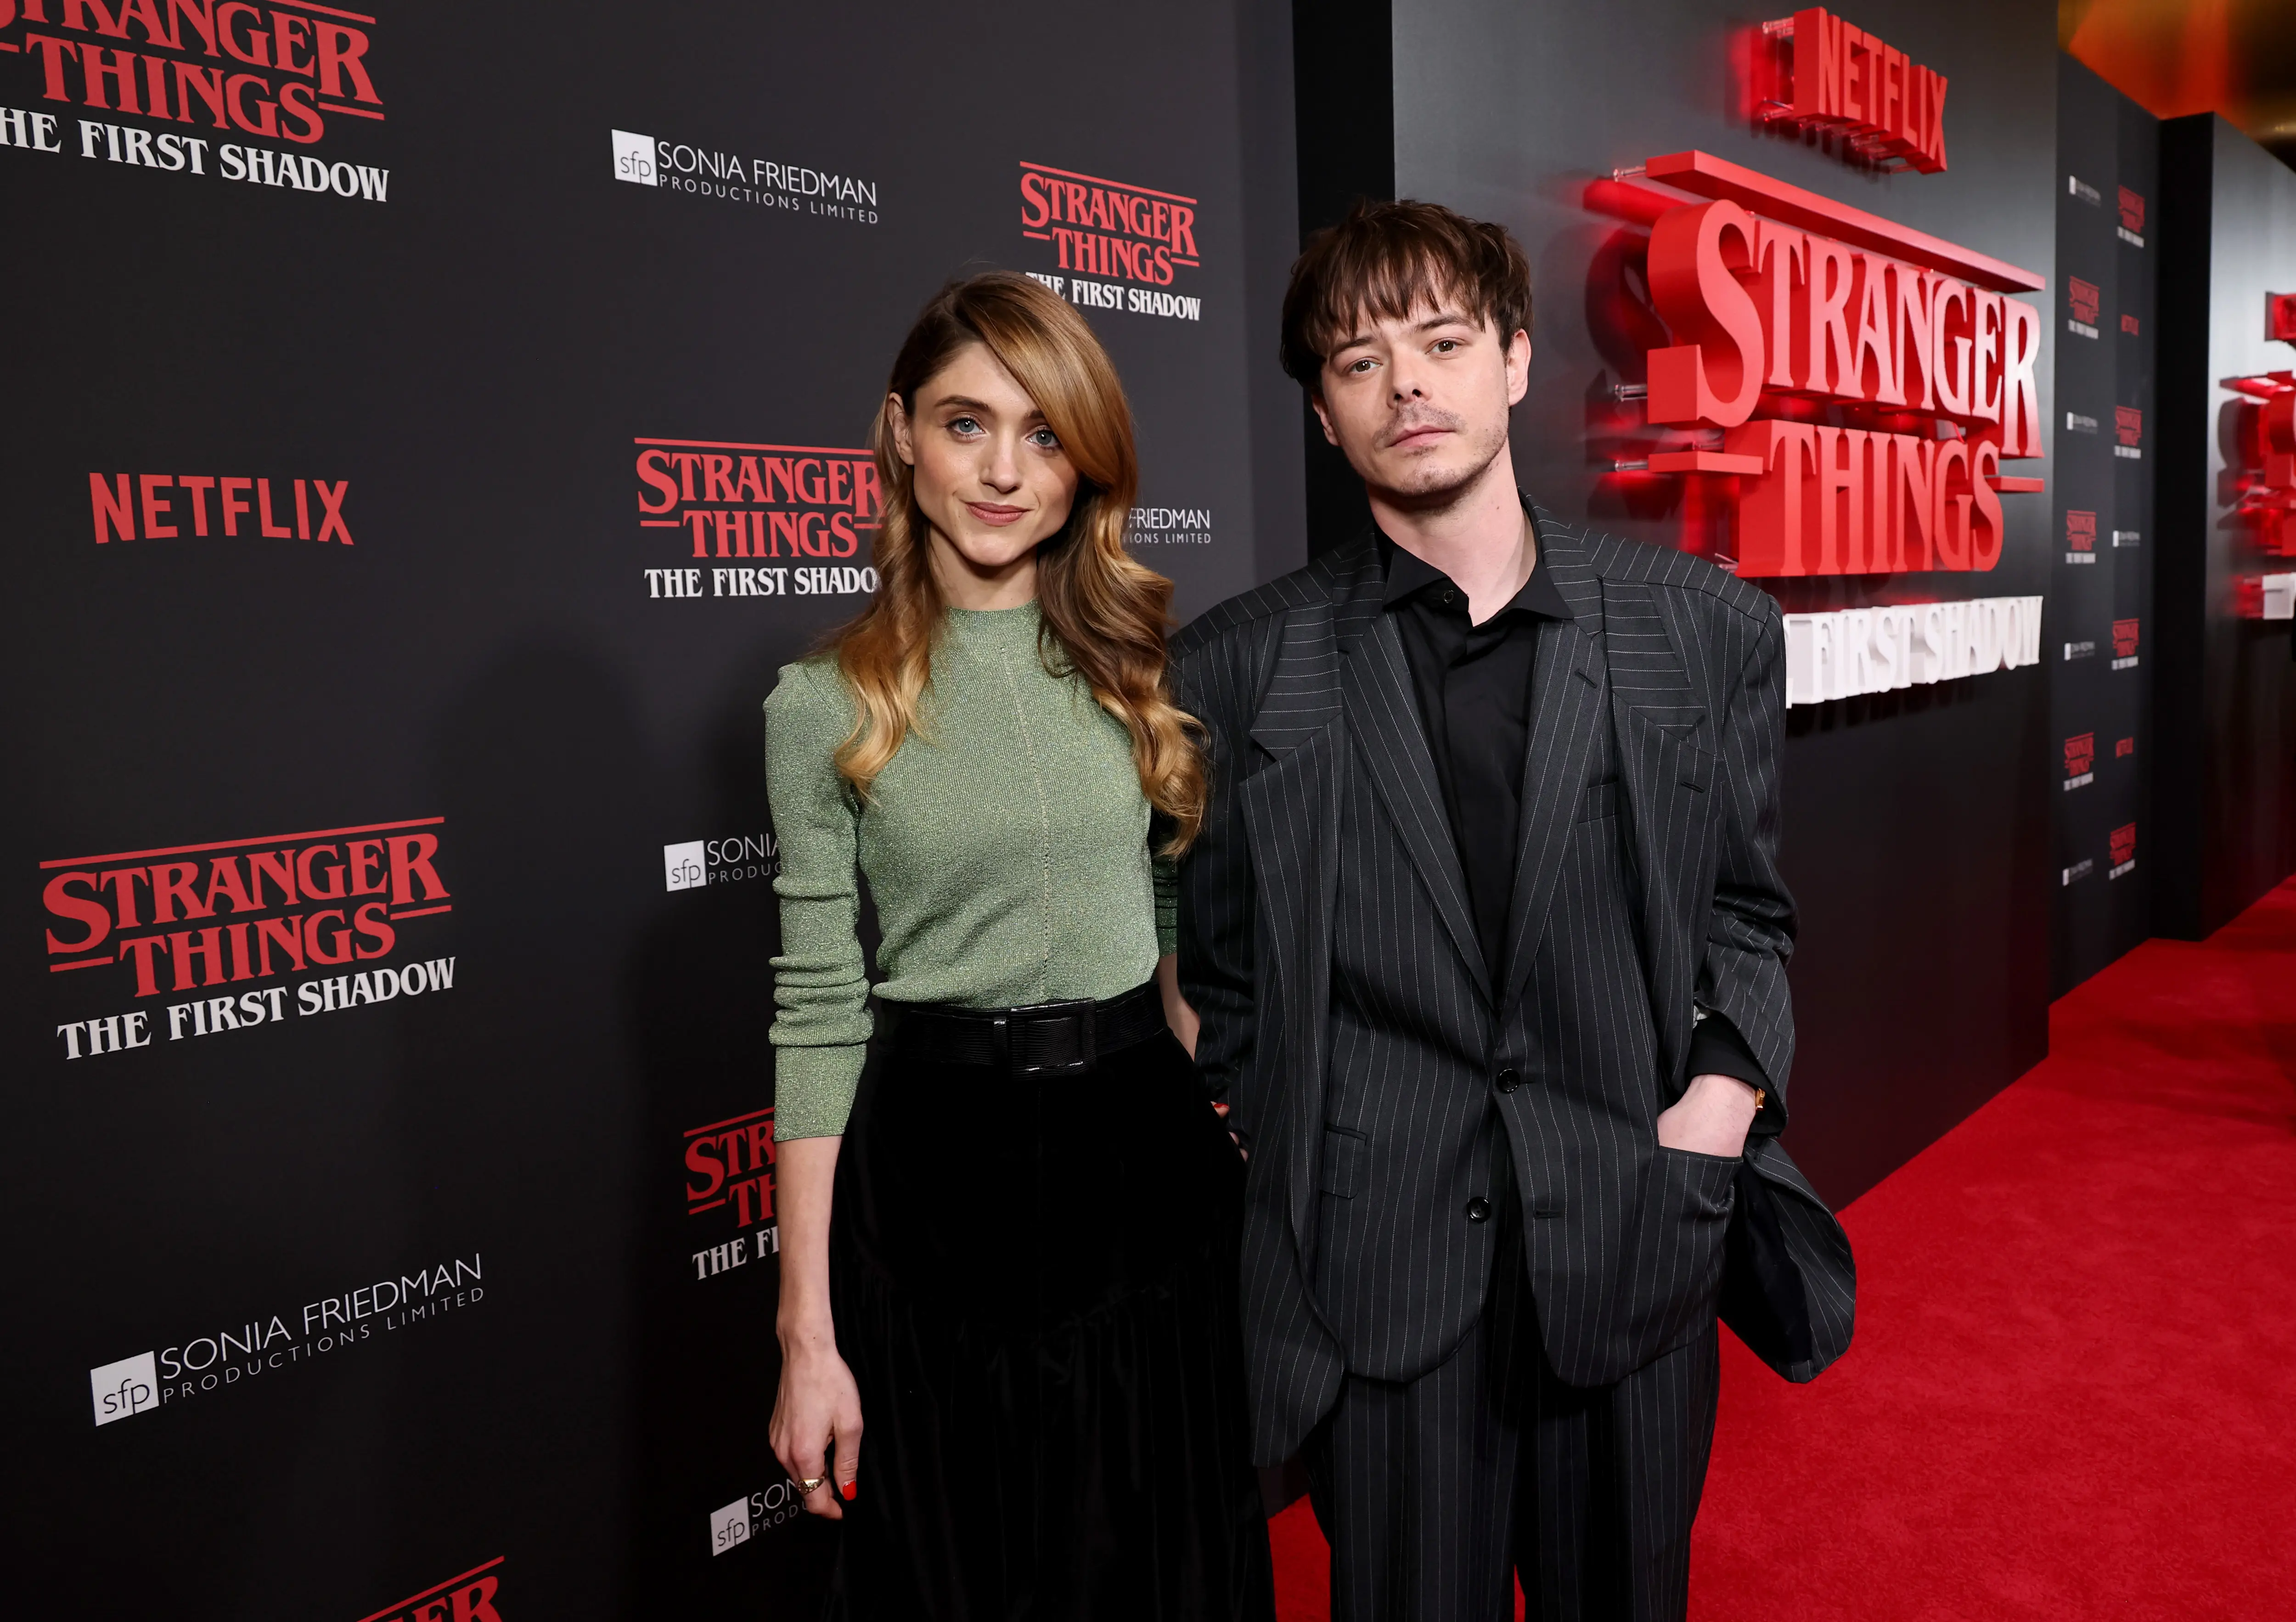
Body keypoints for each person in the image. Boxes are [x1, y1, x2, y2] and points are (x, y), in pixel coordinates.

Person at [1172, 200, 1857, 1621]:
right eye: (1359, 363)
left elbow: (1749, 911)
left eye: (1440, 342)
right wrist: (1296, 1119)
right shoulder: (1238, 670)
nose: (1406, 384)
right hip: (1380, 1281)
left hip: (1634, 1222)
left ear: (1518, 359)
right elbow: (1218, 966)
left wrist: (1720, 1105)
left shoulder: (1700, 628)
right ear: (1323, 412)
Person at [763, 270, 1274, 1621]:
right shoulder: (821, 704)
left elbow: (1168, 927)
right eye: (965, 422)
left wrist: (1190, 1105)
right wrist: (805, 1334)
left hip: (1138, 1169)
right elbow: (816, 1012)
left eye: (1044, 433)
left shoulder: (1140, 673)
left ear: (1085, 461)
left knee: (1156, 1568)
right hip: (932, 1186)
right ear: (900, 435)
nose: (1004, 469)